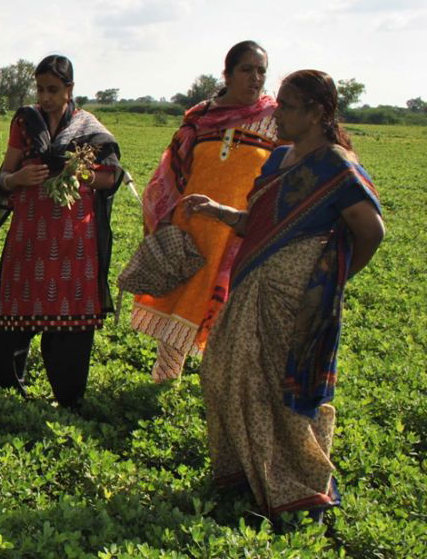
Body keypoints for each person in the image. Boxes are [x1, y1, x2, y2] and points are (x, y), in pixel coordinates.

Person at [188, 69, 383, 521]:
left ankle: (297, 487)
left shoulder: (336, 165)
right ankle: (243, 471)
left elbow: (370, 230)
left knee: (279, 387)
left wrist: (334, 280)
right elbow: (255, 221)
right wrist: (217, 210)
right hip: (253, 282)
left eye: (288, 107)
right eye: (278, 105)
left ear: (317, 113)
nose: (277, 115)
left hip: (297, 296)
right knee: (221, 371)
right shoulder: (278, 160)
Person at [131, 41, 279, 382]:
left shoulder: (275, 122)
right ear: (226, 74)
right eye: (246, 69)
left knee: (230, 314)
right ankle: (165, 382)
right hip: (193, 227)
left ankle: (221, 391)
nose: (255, 78)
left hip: (239, 232)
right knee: (180, 307)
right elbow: (174, 170)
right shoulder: (201, 119)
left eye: (261, 71)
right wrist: (165, 217)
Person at [0, 55, 122, 410]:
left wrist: (80, 174)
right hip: (29, 235)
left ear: (70, 90)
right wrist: (17, 180)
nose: (45, 97)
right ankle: (10, 388)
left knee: (70, 321)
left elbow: (111, 177)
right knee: (16, 308)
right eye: (41, 89)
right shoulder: (25, 122)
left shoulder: (90, 130)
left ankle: (68, 395)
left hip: (74, 239)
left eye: (53, 90)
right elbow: (4, 175)